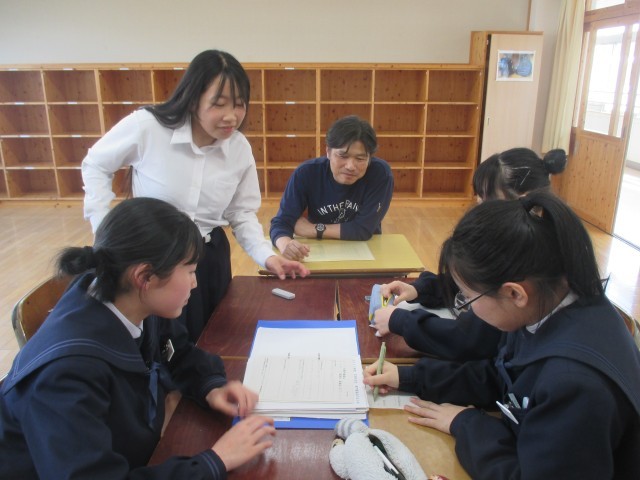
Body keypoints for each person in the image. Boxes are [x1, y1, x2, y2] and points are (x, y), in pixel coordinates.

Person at [364, 191, 640, 478]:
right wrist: (410, 377)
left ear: (514, 293)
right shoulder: (545, 307)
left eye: (468, 298)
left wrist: (467, 424)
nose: (468, 309)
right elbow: (502, 375)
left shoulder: (575, 385)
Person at [0, 197, 275, 479]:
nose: (195, 283)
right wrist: (215, 461)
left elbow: (176, 350)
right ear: (144, 276)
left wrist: (210, 386)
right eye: (191, 271)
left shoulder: (129, 299)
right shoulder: (65, 376)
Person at [82, 49, 309, 342]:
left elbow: (241, 213)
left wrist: (267, 257)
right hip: (154, 260)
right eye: (219, 104)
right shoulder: (148, 126)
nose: (232, 116)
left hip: (207, 257)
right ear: (192, 99)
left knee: (209, 339)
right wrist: (103, 228)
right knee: (151, 345)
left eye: (239, 104)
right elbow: (96, 164)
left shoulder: (239, 148)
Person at [371, 148, 568, 360]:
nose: (479, 207)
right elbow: (467, 283)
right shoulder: (505, 239)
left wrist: (400, 321)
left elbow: (471, 339)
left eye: (487, 199)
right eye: (479, 198)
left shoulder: (526, 260)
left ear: (523, 201)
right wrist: (418, 289)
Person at [269, 115, 394, 261]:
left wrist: (313, 229)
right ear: (328, 152)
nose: (350, 166)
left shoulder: (380, 174)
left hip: (365, 250)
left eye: (360, 159)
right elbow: (281, 222)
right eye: (343, 156)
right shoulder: (307, 173)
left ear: (370, 157)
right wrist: (286, 244)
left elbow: (363, 229)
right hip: (315, 251)